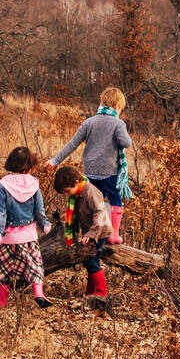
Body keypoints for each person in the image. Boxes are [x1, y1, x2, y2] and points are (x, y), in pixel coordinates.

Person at [46, 86, 132, 243]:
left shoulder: (89, 122)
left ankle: (88, 233)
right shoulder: (118, 124)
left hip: (90, 173)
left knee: (92, 203)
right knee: (115, 200)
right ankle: (113, 234)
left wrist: (55, 160)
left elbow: (72, 144)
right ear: (118, 106)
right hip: (109, 173)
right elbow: (126, 142)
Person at [0, 146, 54, 308]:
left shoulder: (4, 184)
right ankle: (38, 293)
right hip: (28, 236)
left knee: (4, 268)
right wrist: (44, 224)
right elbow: (39, 210)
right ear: (30, 164)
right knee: (35, 266)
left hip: (9, 237)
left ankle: (2, 302)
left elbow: (1, 213)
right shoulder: (34, 184)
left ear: (11, 162)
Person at [52, 164, 114, 296]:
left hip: (100, 231)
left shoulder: (90, 193)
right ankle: (91, 290)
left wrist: (91, 234)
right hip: (92, 231)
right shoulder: (79, 192)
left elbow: (100, 214)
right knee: (88, 260)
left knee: (92, 259)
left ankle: (101, 292)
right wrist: (68, 215)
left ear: (76, 182)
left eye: (67, 191)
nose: (66, 195)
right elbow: (81, 210)